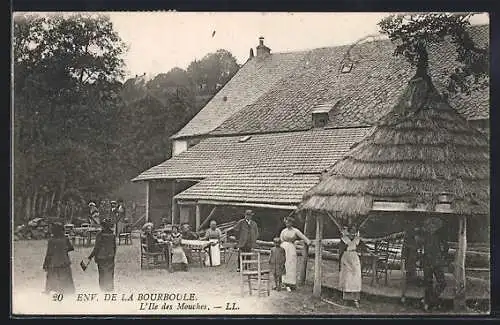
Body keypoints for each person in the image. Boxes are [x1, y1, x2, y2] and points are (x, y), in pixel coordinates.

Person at [420, 217, 449, 312]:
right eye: (429, 227)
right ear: (428, 228)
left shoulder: (440, 236)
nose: (431, 228)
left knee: (442, 283)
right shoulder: (425, 237)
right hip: (427, 263)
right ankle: (427, 304)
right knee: (428, 284)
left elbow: (446, 247)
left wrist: (442, 256)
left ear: (436, 227)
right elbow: (422, 249)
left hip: (437, 263)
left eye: (433, 227)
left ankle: (430, 300)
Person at [43, 222, 75, 295]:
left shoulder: (51, 241)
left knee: (51, 278)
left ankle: (49, 291)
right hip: (65, 262)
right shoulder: (65, 239)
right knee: (66, 279)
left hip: (54, 263)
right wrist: (64, 250)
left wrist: (45, 264)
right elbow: (71, 248)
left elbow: (49, 254)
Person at [279, 216, 311, 290]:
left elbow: (303, 237)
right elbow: (281, 239)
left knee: (291, 264)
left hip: (291, 248)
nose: (287, 224)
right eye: (286, 223)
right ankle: (283, 281)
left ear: (291, 223)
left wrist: (308, 241)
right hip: (284, 247)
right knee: (284, 264)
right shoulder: (283, 231)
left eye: (289, 222)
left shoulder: (295, 231)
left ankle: (291, 282)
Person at [88, 218, 117, 292]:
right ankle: (109, 288)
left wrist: (91, 256)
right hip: (110, 257)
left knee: (102, 274)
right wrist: (113, 255)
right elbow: (114, 247)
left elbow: (96, 247)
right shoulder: (112, 235)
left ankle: (103, 289)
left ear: (103, 226)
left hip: (101, 257)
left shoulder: (100, 235)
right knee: (110, 273)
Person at [339, 226, 363, 308]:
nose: (353, 233)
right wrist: (340, 262)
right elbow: (341, 251)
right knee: (347, 278)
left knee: (356, 278)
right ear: (348, 232)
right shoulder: (344, 240)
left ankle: (355, 299)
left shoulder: (357, 239)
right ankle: (346, 299)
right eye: (351, 231)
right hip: (346, 257)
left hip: (354, 257)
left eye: (354, 231)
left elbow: (362, 248)